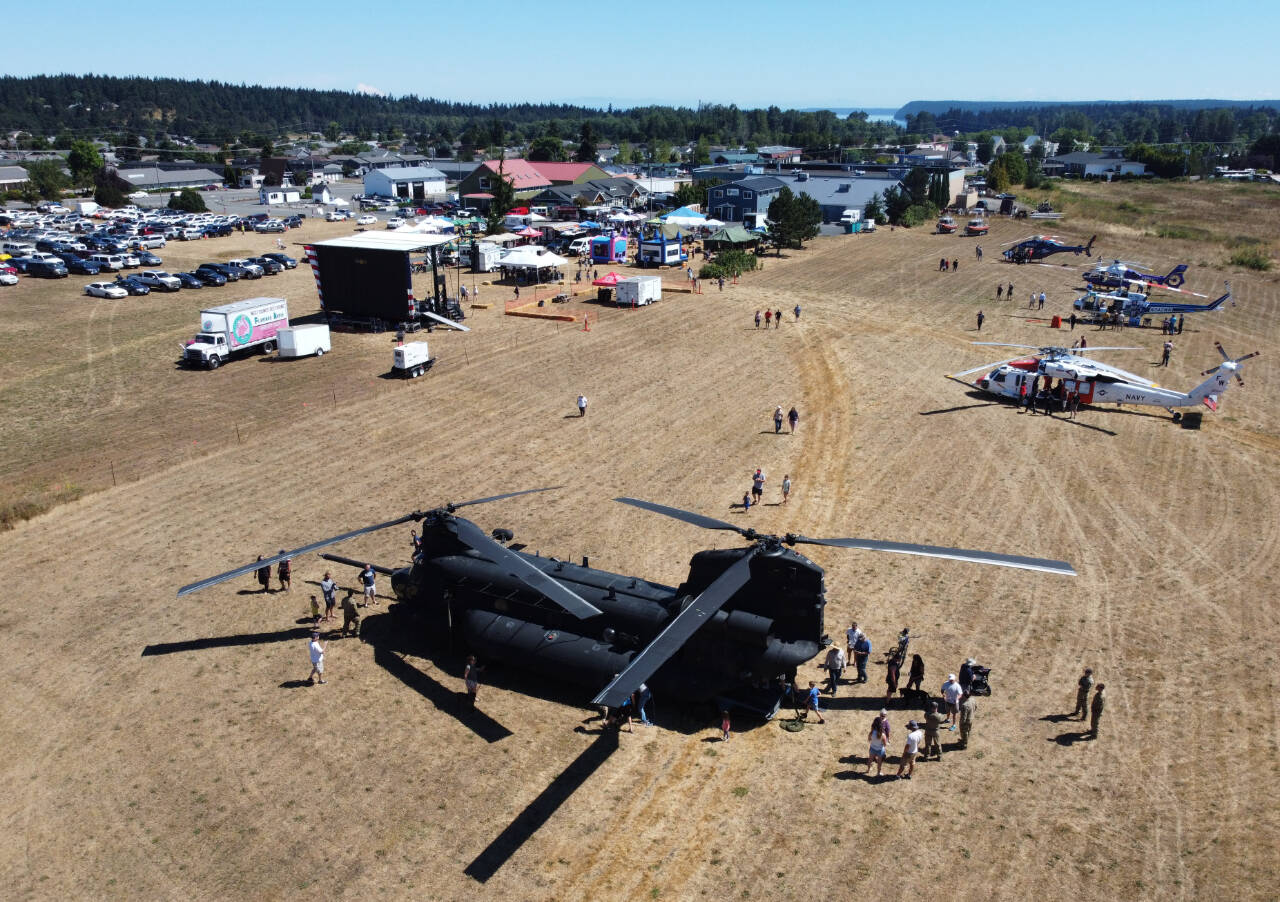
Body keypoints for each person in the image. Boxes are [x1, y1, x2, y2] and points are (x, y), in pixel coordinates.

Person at [865, 711, 889, 776]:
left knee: (870, 760)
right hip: (880, 750)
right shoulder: (883, 735)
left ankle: (868, 770)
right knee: (879, 762)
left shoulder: (871, 733)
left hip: (872, 748)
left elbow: (869, 740)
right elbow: (885, 744)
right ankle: (878, 773)